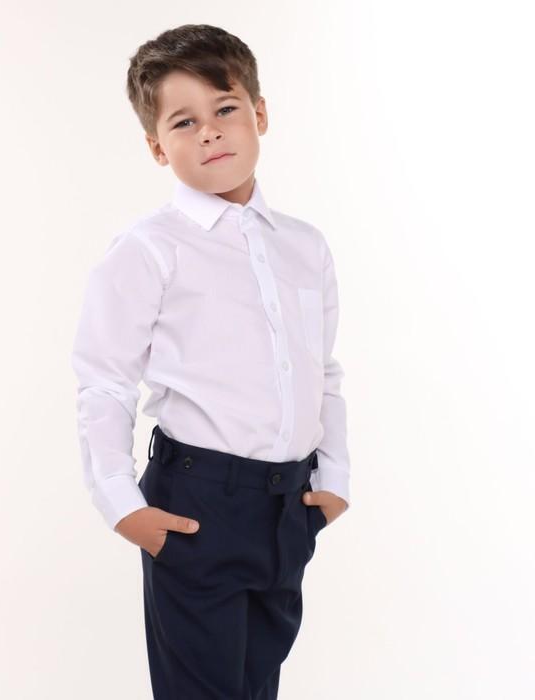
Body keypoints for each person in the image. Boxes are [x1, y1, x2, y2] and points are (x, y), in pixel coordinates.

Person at [71, 23, 351, 699]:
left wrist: (335, 479)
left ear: (260, 113)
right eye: (184, 121)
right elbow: (104, 379)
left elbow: (323, 369)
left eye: (225, 109)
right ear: (156, 146)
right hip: (197, 507)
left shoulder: (304, 246)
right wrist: (121, 503)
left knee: (257, 686)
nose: (210, 133)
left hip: (288, 507)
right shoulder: (150, 248)